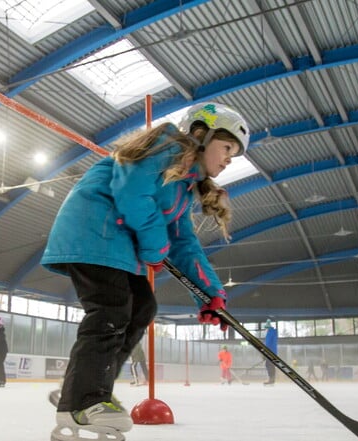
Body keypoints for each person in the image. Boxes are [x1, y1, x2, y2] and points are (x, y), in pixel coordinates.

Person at [41, 102, 250, 441]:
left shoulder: (184, 188)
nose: (229, 158)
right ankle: (83, 401)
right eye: (227, 148)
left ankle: (86, 388)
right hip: (95, 231)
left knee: (142, 307)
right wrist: (154, 245)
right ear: (201, 134)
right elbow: (133, 193)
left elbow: (184, 244)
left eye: (234, 154)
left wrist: (211, 293)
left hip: (117, 245)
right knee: (111, 308)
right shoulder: (165, 145)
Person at [263, 319, 278, 385]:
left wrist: (265, 353)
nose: (265, 330)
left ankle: (271, 379)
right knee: (270, 365)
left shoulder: (269, 333)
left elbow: (268, 344)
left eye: (265, 328)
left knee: (269, 365)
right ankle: (272, 379)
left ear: (267, 327)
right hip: (272, 351)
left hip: (270, 352)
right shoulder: (272, 332)